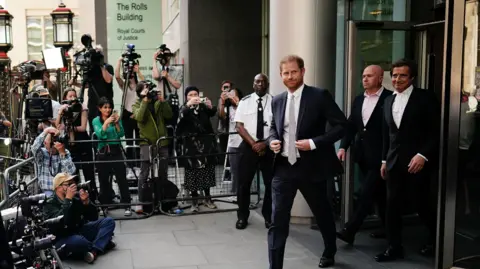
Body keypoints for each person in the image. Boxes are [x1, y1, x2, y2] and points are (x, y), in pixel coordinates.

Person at [268, 55, 347, 268]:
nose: (290, 76)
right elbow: (274, 128)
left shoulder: (319, 96)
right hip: (283, 168)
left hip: (312, 167)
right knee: (278, 221)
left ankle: (330, 249)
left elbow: (342, 126)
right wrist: (273, 140)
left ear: (303, 71)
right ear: (281, 75)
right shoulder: (277, 100)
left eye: (294, 71)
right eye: (286, 73)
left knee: (322, 213)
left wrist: (314, 142)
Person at [376, 59, 440, 262]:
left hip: (418, 162)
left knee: (422, 204)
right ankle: (394, 247)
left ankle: (436, 239)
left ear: (412, 77)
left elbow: (436, 131)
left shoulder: (425, 98)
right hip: (394, 162)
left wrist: (423, 155)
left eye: (402, 75)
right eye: (394, 75)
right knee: (391, 206)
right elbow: (387, 134)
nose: (397, 79)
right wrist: (384, 160)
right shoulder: (388, 100)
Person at [336, 65, 391, 244]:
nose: (365, 79)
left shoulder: (389, 98)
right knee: (379, 195)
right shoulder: (359, 99)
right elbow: (352, 124)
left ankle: (350, 230)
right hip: (363, 156)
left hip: (382, 156)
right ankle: (388, 229)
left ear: (380, 78)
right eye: (363, 76)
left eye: (369, 76)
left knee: (365, 193)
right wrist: (343, 146)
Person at [43, 173, 116, 264]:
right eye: (68, 184)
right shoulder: (50, 203)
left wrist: (86, 203)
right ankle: (101, 243)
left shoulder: (75, 197)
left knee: (109, 222)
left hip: (79, 230)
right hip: (62, 237)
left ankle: (94, 251)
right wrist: (68, 200)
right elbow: (60, 222)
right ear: (59, 187)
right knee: (80, 242)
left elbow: (93, 218)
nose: (72, 187)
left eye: (73, 184)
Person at [234, 73, 273, 230]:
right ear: (253, 84)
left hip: (269, 147)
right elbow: (239, 126)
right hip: (248, 146)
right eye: (257, 82)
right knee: (243, 184)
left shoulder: (275, 101)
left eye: (263, 82)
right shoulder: (245, 102)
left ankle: (268, 216)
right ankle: (242, 216)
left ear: (267, 84)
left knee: (271, 184)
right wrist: (254, 144)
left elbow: (278, 126)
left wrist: (264, 144)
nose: (260, 84)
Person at [132, 81, 172, 213]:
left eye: (149, 88)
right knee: (144, 172)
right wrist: (144, 101)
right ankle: (141, 201)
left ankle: (163, 200)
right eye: (145, 89)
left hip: (162, 141)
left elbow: (169, 115)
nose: (148, 91)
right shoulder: (137, 103)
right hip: (146, 142)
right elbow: (139, 117)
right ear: (139, 92)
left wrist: (163, 101)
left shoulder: (157, 101)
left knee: (163, 172)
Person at [176, 86, 217, 212]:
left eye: (195, 94)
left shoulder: (203, 107)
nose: (193, 97)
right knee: (192, 173)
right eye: (190, 95)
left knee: (207, 171)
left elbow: (212, 113)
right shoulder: (184, 108)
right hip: (191, 146)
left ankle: (207, 198)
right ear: (186, 97)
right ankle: (194, 201)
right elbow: (179, 120)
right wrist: (188, 105)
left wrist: (210, 106)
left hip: (206, 146)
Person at [55, 88, 98, 201]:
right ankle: (76, 199)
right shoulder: (63, 108)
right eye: (70, 96)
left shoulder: (82, 107)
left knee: (88, 173)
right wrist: (60, 112)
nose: (73, 98)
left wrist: (70, 128)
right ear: (65, 98)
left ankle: (93, 199)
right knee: (72, 175)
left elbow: (83, 127)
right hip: (69, 143)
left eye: (74, 95)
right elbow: (57, 126)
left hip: (82, 142)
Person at [92, 97, 132, 216]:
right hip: (103, 151)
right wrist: (106, 122)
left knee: (122, 178)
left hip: (116, 150)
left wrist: (116, 123)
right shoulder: (96, 120)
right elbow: (100, 135)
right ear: (99, 108)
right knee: (104, 180)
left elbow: (121, 134)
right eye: (105, 107)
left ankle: (127, 205)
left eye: (109, 107)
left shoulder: (116, 119)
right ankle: (104, 205)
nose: (108, 110)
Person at [115, 57, 144, 178]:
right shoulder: (125, 85)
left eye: (132, 72)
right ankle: (130, 167)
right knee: (128, 141)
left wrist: (138, 71)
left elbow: (146, 84)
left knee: (138, 141)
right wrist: (119, 61)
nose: (130, 74)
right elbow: (117, 77)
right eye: (129, 71)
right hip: (127, 115)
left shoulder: (140, 85)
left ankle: (138, 166)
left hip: (137, 114)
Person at [31, 127, 76, 196]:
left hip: (63, 190)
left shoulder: (64, 151)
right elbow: (34, 148)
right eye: (49, 143)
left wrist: (62, 154)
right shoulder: (42, 153)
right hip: (48, 190)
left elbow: (71, 172)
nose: (52, 147)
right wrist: (46, 131)